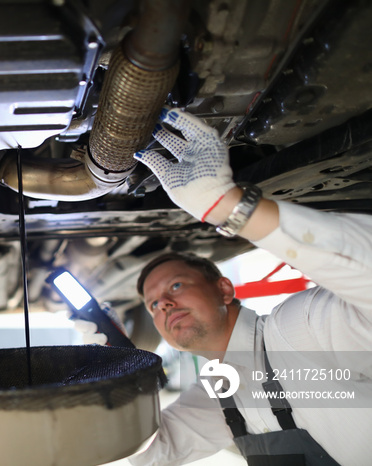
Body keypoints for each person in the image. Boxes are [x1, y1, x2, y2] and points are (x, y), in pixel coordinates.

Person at [97, 108, 372, 465]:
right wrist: (104, 372)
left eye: (176, 285)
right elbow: (147, 456)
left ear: (225, 290)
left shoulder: (296, 330)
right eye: (152, 304)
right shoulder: (218, 392)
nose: (162, 304)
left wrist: (231, 207)